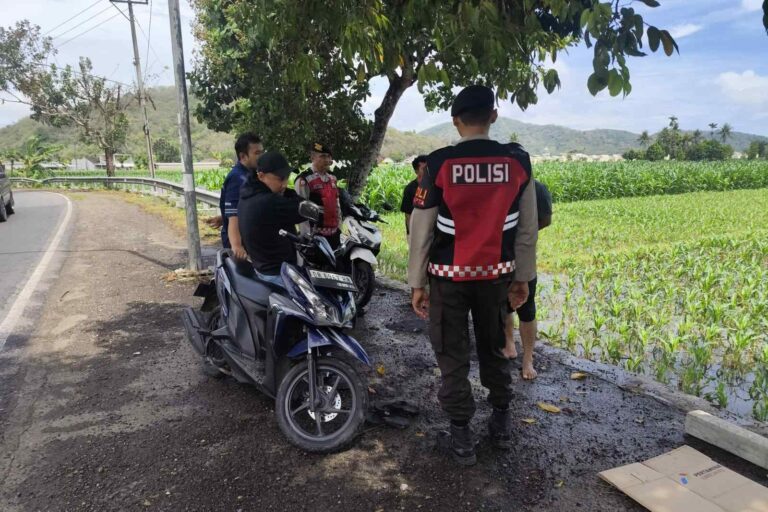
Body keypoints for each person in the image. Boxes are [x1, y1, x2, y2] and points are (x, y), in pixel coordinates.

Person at [408, 85, 538, 466]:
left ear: (455, 121)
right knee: (496, 348)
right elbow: (527, 229)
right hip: (497, 278)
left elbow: (422, 227)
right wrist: (522, 278)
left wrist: (416, 282)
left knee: (451, 353)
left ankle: (462, 436)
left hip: (448, 279)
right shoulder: (518, 161)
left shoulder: (438, 163)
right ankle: (500, 423)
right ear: (493, 116)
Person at [503, 180, 553, 380]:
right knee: (504, 303)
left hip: (523, 255)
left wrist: (526, 234)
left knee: (526, 306)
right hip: (499, 255)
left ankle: (528, 359)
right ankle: (509, 345)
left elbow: (546, 219)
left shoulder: (537, 188)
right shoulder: (503, 185)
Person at [238, 151, 305, 287]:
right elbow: (302, 210)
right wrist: (289, 193)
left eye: (287, 178)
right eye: (280, 179)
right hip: (278, 275)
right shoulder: (269, 201)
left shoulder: (248, 194)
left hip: (262, 269)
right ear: (261, 176)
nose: (285, 184)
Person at [206, 133, 264, 260]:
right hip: (242, 245)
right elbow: (234, 215)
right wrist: (237, 246)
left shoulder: (251, 174)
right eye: (257, 153)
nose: (261, 156)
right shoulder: (238, 178)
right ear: (243, 156)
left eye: (262, 152)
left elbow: (240, 207)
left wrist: (223, 217)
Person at [295, 142, 342, 249]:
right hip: (315, 237)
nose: (327, 160)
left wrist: (339, 228)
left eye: (329, 156)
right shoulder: (304, 179)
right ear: (312, 158)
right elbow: (302, 213)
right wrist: (306, 239)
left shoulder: (333, 178)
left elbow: (337, 206)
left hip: (334, 234)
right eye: (323, 156)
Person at [401, 155, 427, 235]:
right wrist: (411, 234)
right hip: (416, 231)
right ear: (416, 171)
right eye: (424, 169)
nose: (427, 171)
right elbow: (408, 215)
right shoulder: (410, 189)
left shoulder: (436, 186)